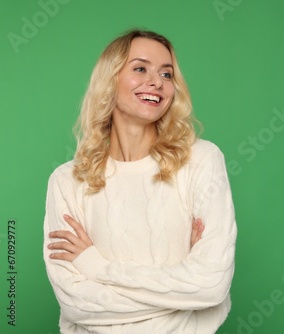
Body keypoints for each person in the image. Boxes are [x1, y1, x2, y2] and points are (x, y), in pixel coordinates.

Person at [43, 29, 237, 334]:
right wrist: (180, 290)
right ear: (110, 79)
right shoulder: (67, 180)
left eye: (167, 73)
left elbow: (211, 285)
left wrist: (94, 266)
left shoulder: (201, 160)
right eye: (140, 68)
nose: (157, 81)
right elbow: (76, 303)